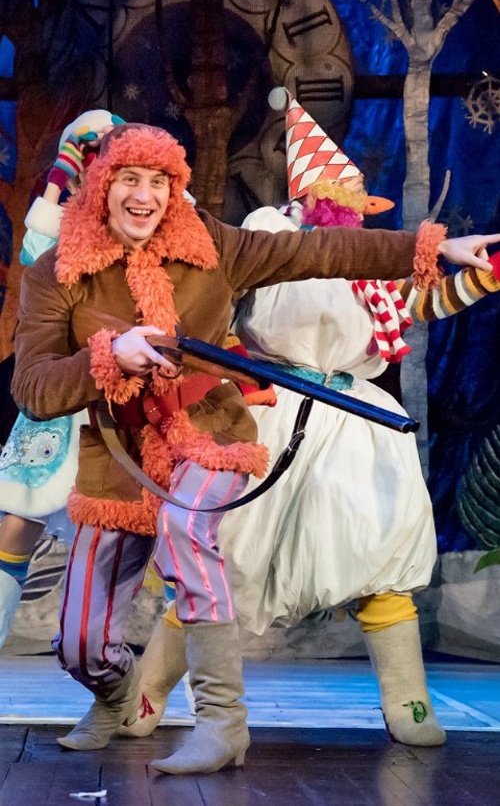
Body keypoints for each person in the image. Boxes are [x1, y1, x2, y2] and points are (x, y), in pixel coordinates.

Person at [10, 120, 500, 775]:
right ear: (102, 185)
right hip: (120, 461)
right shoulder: (58, 272)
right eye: (129, 179)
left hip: (208, 434)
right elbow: (34, 388)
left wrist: (435, 247)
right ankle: (116, 694)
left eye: (159, 181)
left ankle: (221, 724)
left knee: (190, 527)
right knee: (81, 644)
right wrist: (108, 357)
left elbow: (325, 252)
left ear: (174, 189)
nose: (144, 196)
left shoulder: (211, 243)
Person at [0, 110, 125, 650]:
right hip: (57, 401)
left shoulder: (141, 224)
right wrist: (57, 180)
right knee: (16, 523)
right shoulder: (57, 235)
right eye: (83, 161)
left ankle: (145, 677)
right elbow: (35, 259)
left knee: (144, 537)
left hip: (122, 401)